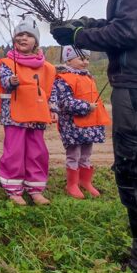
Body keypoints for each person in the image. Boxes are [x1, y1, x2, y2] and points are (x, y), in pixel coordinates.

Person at [51, 0, 137, 269]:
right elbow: (133, 24)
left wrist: (81, 34)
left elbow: (129, 31)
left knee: (136, 172)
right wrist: (87, 24)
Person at [0, 20, 57, 206]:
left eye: (29, 35)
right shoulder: (6, 62)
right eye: (19, 35)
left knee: (37, 152)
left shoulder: (48, 67)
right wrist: (11, 81)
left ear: (36, 41)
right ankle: (13, 189)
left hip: (37, 114)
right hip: (14, 115)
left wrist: (53, 109)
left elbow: (51, 89)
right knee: (14, 151)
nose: (23, 38)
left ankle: (35, 189)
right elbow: (4, 81)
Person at [54, 46, 110, 199]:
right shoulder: (63, 79)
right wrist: (86, 106)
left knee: (86, 154)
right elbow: (65, 102)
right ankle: (72, 184)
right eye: (81, 59)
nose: (85, 62)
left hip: (89, 124)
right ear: (69, 59)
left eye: (87, 59)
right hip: (73, 125)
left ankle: (85, 181)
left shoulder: (88, 76)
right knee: (74, 154)